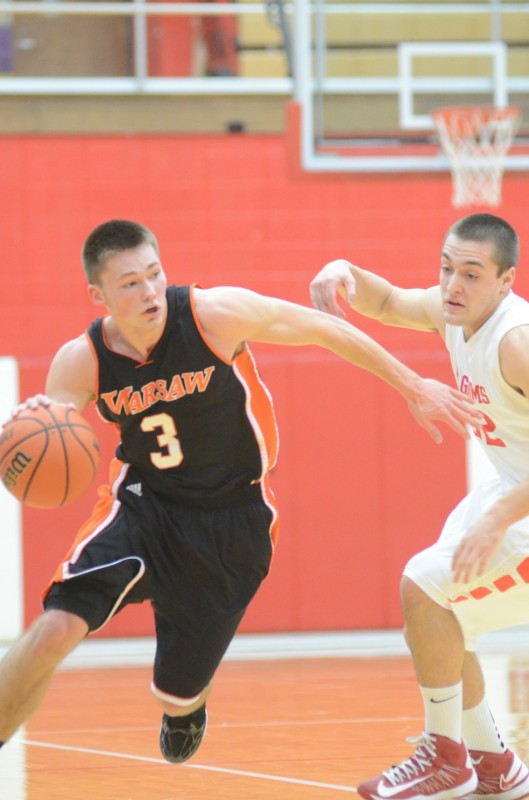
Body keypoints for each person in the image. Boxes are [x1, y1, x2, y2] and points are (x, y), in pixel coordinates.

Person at [0, 219, 482, 766]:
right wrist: (24, 448)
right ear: (99, 294)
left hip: (233, 520)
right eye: (130, 283)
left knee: (179, 694)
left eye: (155, 275)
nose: (149, 292)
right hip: (143, 507)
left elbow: (323, 329)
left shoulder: (213, 315)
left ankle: (185, 706)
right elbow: (50, 435)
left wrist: (414, 385)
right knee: (52, 631)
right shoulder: (80, 360)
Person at [310, 212, 529, 800]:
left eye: (472, 274)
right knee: (445, 619)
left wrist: (502, 515)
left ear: (506, 281)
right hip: (511, 490)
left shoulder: (517, 344)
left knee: (422, 587)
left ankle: (446, 758)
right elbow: (386, 302)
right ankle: (495, 764)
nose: (453, 285)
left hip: (521, 509)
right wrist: (344, 270)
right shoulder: (450, 310)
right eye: (446, 268)